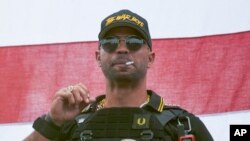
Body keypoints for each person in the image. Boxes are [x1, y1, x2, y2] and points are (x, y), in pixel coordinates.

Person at [24, 9, 213, 141]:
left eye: (133, 42)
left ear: (151, 58)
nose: (122, 49)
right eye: (110, 43)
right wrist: (53, 122)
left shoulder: (182, 125)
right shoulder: (71, 124)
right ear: (99, 57)